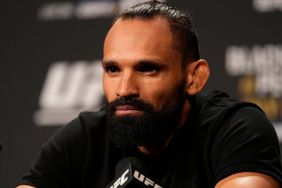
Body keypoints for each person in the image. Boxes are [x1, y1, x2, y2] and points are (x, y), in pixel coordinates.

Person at [17, 1, 282, 187]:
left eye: (148, 69)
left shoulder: (236, 128)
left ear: (194, 77)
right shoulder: (84, 138)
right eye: (113, 69)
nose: (124, 89)